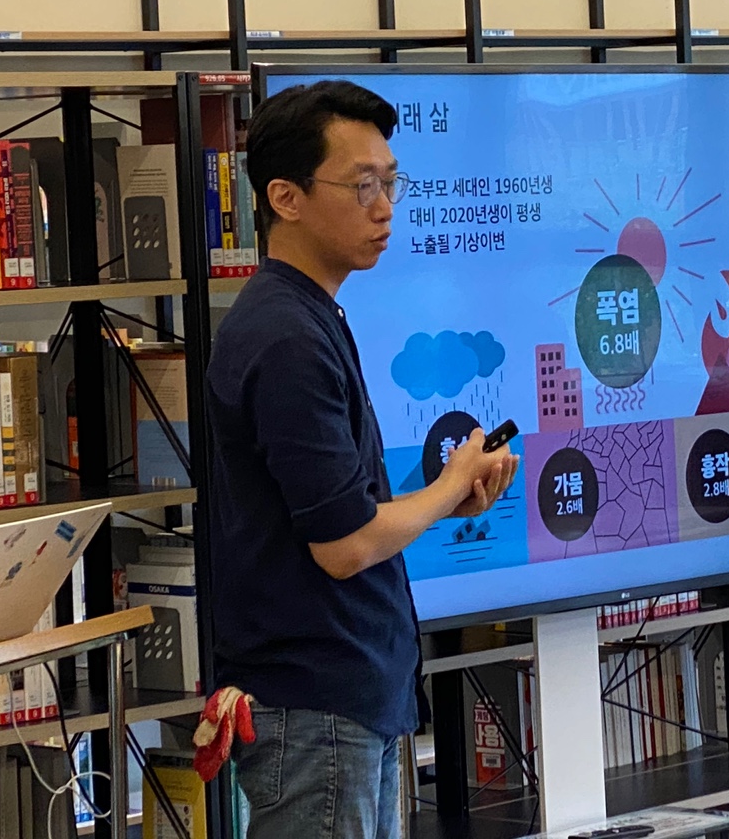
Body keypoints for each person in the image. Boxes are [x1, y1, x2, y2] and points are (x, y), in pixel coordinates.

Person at [204, 80, 518, 839]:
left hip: (347, 699)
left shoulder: (310, 314)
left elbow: (342, 509)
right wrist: (447, 485)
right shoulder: (285, 337)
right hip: (316, 708)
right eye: (362, 185)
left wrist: (447, 497)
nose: (385, 208)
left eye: (391, 183)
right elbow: (342, 546)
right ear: (285, 197)